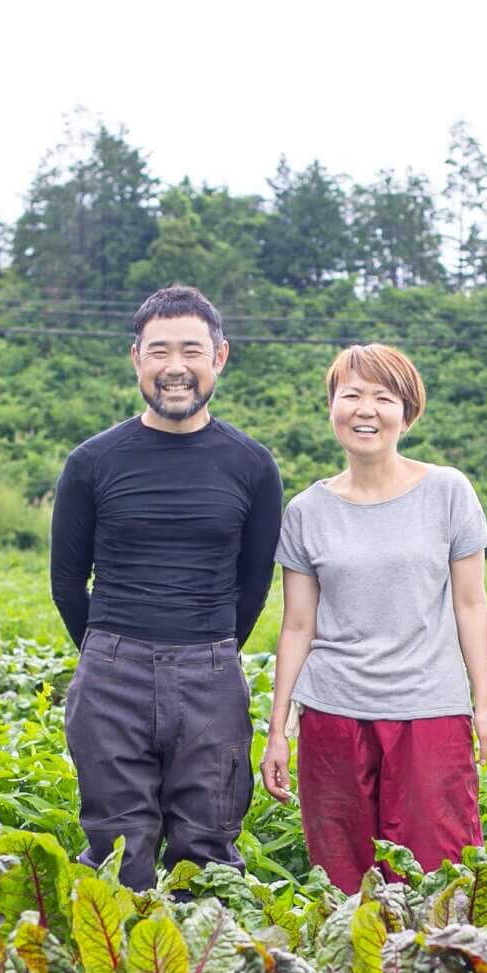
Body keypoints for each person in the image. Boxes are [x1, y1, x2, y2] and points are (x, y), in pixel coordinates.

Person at [259, 343, 487, 890]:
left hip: (430, 713)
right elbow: (297, 626)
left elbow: (470, 604)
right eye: (350, 395)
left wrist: (485, 706)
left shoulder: (447, 491)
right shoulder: (307, 511)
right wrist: (279, 728)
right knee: (341, 881)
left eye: (383, 397)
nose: (365, 409)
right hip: (333, 715)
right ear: (331, 406)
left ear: (407, 412)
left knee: (436, 878)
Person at [50, 286, 284, 890]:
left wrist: (207, 651)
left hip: (211, 674)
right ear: (136, 358)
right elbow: (67, 582)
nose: (174, 367)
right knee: (116, 851)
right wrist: (108, 651)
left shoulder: (253, 466)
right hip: (110, 672)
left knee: (206, 854)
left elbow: (253, 583)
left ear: (220, 357)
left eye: (191, 350)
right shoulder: (92, 461)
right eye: (159, 351)